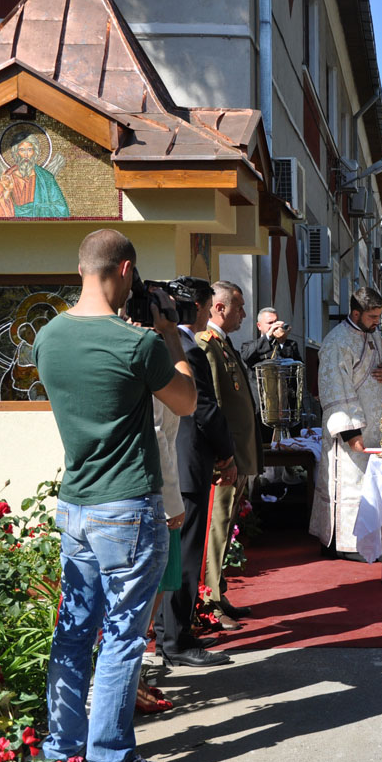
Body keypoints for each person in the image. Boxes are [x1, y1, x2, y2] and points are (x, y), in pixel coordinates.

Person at [34, 228, 195, 762]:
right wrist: (168, 335)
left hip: (75, 503)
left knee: (74, 630)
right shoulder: (140, 343)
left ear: (83, 269)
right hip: (127, 506)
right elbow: (188, 400)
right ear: (125, 270)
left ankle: (61, 749)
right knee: (122, 637)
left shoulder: (48, 337)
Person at [154, 282, 237, 668]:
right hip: (186, 464)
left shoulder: (171, 343)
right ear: (202, 307)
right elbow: (204, 409)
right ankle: (177, 639)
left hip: (177, 463)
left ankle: (168, 633)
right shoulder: (186, 347)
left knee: (174, 556)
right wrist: (227, 455)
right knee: (184, 558)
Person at [308, 287, 382, 557]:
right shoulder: (336, 342)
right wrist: (351, 432)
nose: (376, 321)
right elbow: (335, 388)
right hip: (351, 433)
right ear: (355, 313)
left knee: (374, 484)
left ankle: (378, 540)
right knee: (353, 485)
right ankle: (350, 544)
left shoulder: (375, 337)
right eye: (372, 316)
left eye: (379, 316)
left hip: (377, 428)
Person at [196, 280, 261, 624]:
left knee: (226, 527)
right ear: (219, 308)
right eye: (239, 307)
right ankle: (209, 603)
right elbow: (215, 407)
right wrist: (225, 458)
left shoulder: (223, 344)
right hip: (225, 460)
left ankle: (218, 593)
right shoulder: (207, 345)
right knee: (216, 529)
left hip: (236, 456)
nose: (244, 314)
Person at [0, 134, 70, 218]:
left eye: (29, 150)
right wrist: (6, 193)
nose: (26, 155)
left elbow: (62, 210)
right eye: (22, 150)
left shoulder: (46, 178)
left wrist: (39, 208)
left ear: (35, 152)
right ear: (16, 153)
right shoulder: (8, 177)